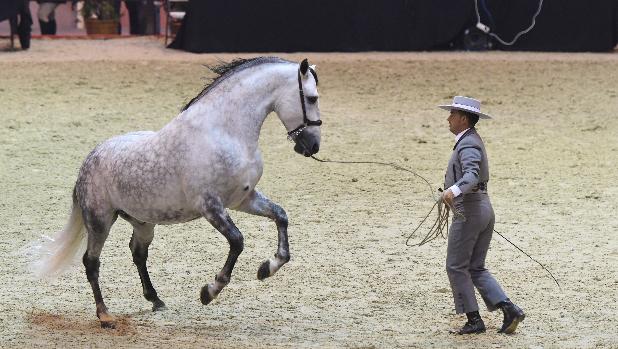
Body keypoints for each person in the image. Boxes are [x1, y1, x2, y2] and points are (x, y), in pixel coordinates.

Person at [439, 96, 525, 335]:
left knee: (456, 266)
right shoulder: (471, 140)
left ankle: (474, 320)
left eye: (452, 114)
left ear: (463, 119)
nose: (448, 118)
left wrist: (452, 190)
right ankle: (509, 309)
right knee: (476, 267)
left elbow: (471, 175)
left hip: (470, 209)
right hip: (483, 208)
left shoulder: (467, 144)